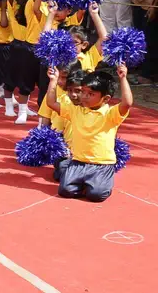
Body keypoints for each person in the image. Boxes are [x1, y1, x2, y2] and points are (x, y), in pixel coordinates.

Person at [45, 64, 131, 203]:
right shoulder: (75, 110)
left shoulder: (111, 114)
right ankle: (82, 181)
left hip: (102, 164)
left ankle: (94, 184)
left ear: (106, 98)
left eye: (90, 94)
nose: (84, 96)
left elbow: (127, 103)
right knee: (65, 191)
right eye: (83, 92)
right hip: (78, 161)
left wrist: (123, 78)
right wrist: (53, 80)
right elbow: (51, 103)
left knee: (96, 195)